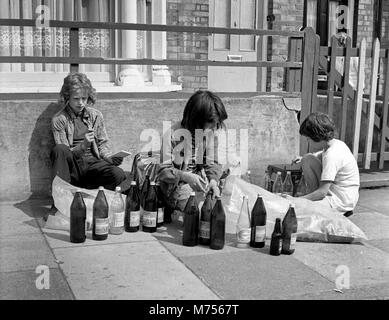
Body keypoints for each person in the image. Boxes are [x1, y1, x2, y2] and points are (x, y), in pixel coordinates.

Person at [50, 72, 127, 191]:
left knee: (118, 174)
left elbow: (103, 143)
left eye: (84, 98)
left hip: (93, 167)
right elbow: (64, 156)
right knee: (59, 149)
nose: (80, 103)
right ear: (67, 97)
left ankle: (96, 197)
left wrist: (109, 158)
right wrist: (83, 145)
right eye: (76, 99)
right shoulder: (59, 119)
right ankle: (59, 200)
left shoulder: (95, 115)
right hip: (73, 170)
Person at [157, 90, 228, 217]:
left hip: (200, 185)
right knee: (197, 214)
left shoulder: (210, 134)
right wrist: (185, 176)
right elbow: (163, 172)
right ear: (197, 119)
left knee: (215, 211)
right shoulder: (172, 134)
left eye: (215, 124)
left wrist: (213, 181)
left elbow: (212, 163)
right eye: (210, 124)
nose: (213, 128)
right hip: (176, 189)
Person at [293, 112, 359, 215]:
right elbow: (319, 155)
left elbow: (322, 192)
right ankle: (315, 199)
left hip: (341, 200)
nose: (307, 141)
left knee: (301, 209)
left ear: (316, 137)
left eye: (308, 138)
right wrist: (302, 159)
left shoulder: (332, 155)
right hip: (343, 193)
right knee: (307, 159)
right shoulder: (336, 144)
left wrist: (298, 200)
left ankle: (320, 203)